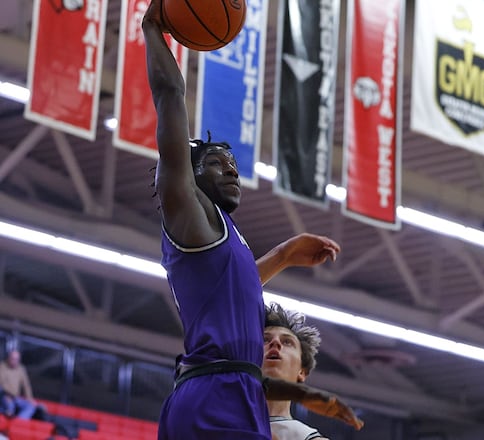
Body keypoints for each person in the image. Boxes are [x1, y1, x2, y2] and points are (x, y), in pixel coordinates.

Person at [142, 1, 361, 438]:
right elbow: (170, 97)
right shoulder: (187, 211)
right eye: (218, 163)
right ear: (189, 173)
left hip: (236, 390)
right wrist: (153, 29)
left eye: (234, 165)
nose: (232, 170)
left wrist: (283, 254)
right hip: (213, 390)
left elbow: (234, 292)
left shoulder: (222, 240)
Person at [263, 303, 330, 440]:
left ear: (301, 371)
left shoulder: (307, 437)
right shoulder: (217, 422)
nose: (275, 342)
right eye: (265, 339)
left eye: (287, 342)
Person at [0, 350, 38, 420]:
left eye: (17, 359)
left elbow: (26, 385)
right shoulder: (2, 367)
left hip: (15, 397)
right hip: (3, 396)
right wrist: (5, 395)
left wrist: (30, 399)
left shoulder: (21, 369)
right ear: (8, 358)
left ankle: (18, 422)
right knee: (9, 406)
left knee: (30, 406)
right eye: (13, 359)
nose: (15, 361)